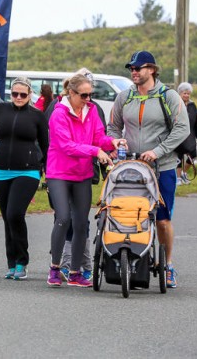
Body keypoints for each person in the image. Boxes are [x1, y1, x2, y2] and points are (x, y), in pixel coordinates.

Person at [107, 50, 190, 288]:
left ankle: (168, 265)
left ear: (152, 69)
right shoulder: (124, 97)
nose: (134, 72)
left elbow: (182, 128)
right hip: (131, 167)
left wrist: (158, 151)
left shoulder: (168, 96)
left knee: (162, 220)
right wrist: (116, 142)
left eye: (138, 68)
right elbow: (113, 127)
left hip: (162, 167)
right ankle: (133, 262)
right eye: (131, 69)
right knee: (132, 216)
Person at [45, 71, 122, 288]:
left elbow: (98, 137)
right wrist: (96, 151)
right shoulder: (58, 114)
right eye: (84, 95)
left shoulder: (92, 110)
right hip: (59, 173)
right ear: (71, 93)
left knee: (81, 223)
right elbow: (66, 146)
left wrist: (112, 143)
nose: (88, 99)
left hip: (82, 173)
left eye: (91, 95)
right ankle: (54, 268)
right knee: (63, 218)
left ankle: (75, 273)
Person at [0, 77, 48, 281]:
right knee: (7, 218)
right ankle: (12, 263)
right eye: (15, 93)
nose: (18, 97)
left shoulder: (37, 116)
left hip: (27, 172)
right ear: (10, 93)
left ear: (30, 95)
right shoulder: (1, 109)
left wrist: (46, 169)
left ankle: (22, 261)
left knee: (15, 214)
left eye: (23, 94)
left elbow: (46, 145)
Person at [176, 82, 197, 185]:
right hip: (178, 133)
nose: (186, 95)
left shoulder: (192, 105)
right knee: (179, 156)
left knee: (193, 155)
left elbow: (196, 121)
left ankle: (184, 173)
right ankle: (178, 178)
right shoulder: (176, 104)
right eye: (184, 93)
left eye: (188, 93)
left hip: (190, 134)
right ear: (180, 93)